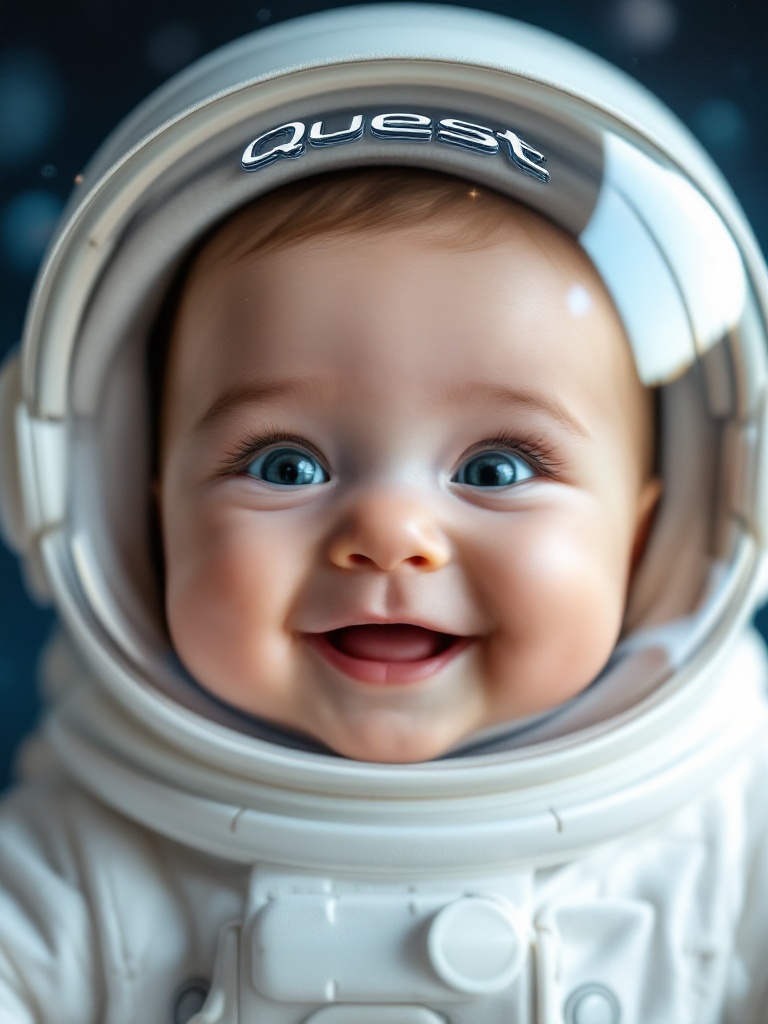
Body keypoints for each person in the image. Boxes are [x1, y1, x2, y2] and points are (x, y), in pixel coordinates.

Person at [1, 6, 768, 1023]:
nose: (391, 531)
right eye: (285, 462)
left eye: (497, 468)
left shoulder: (734, 844)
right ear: (134, 512)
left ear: (647, 534)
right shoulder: (72, 859)